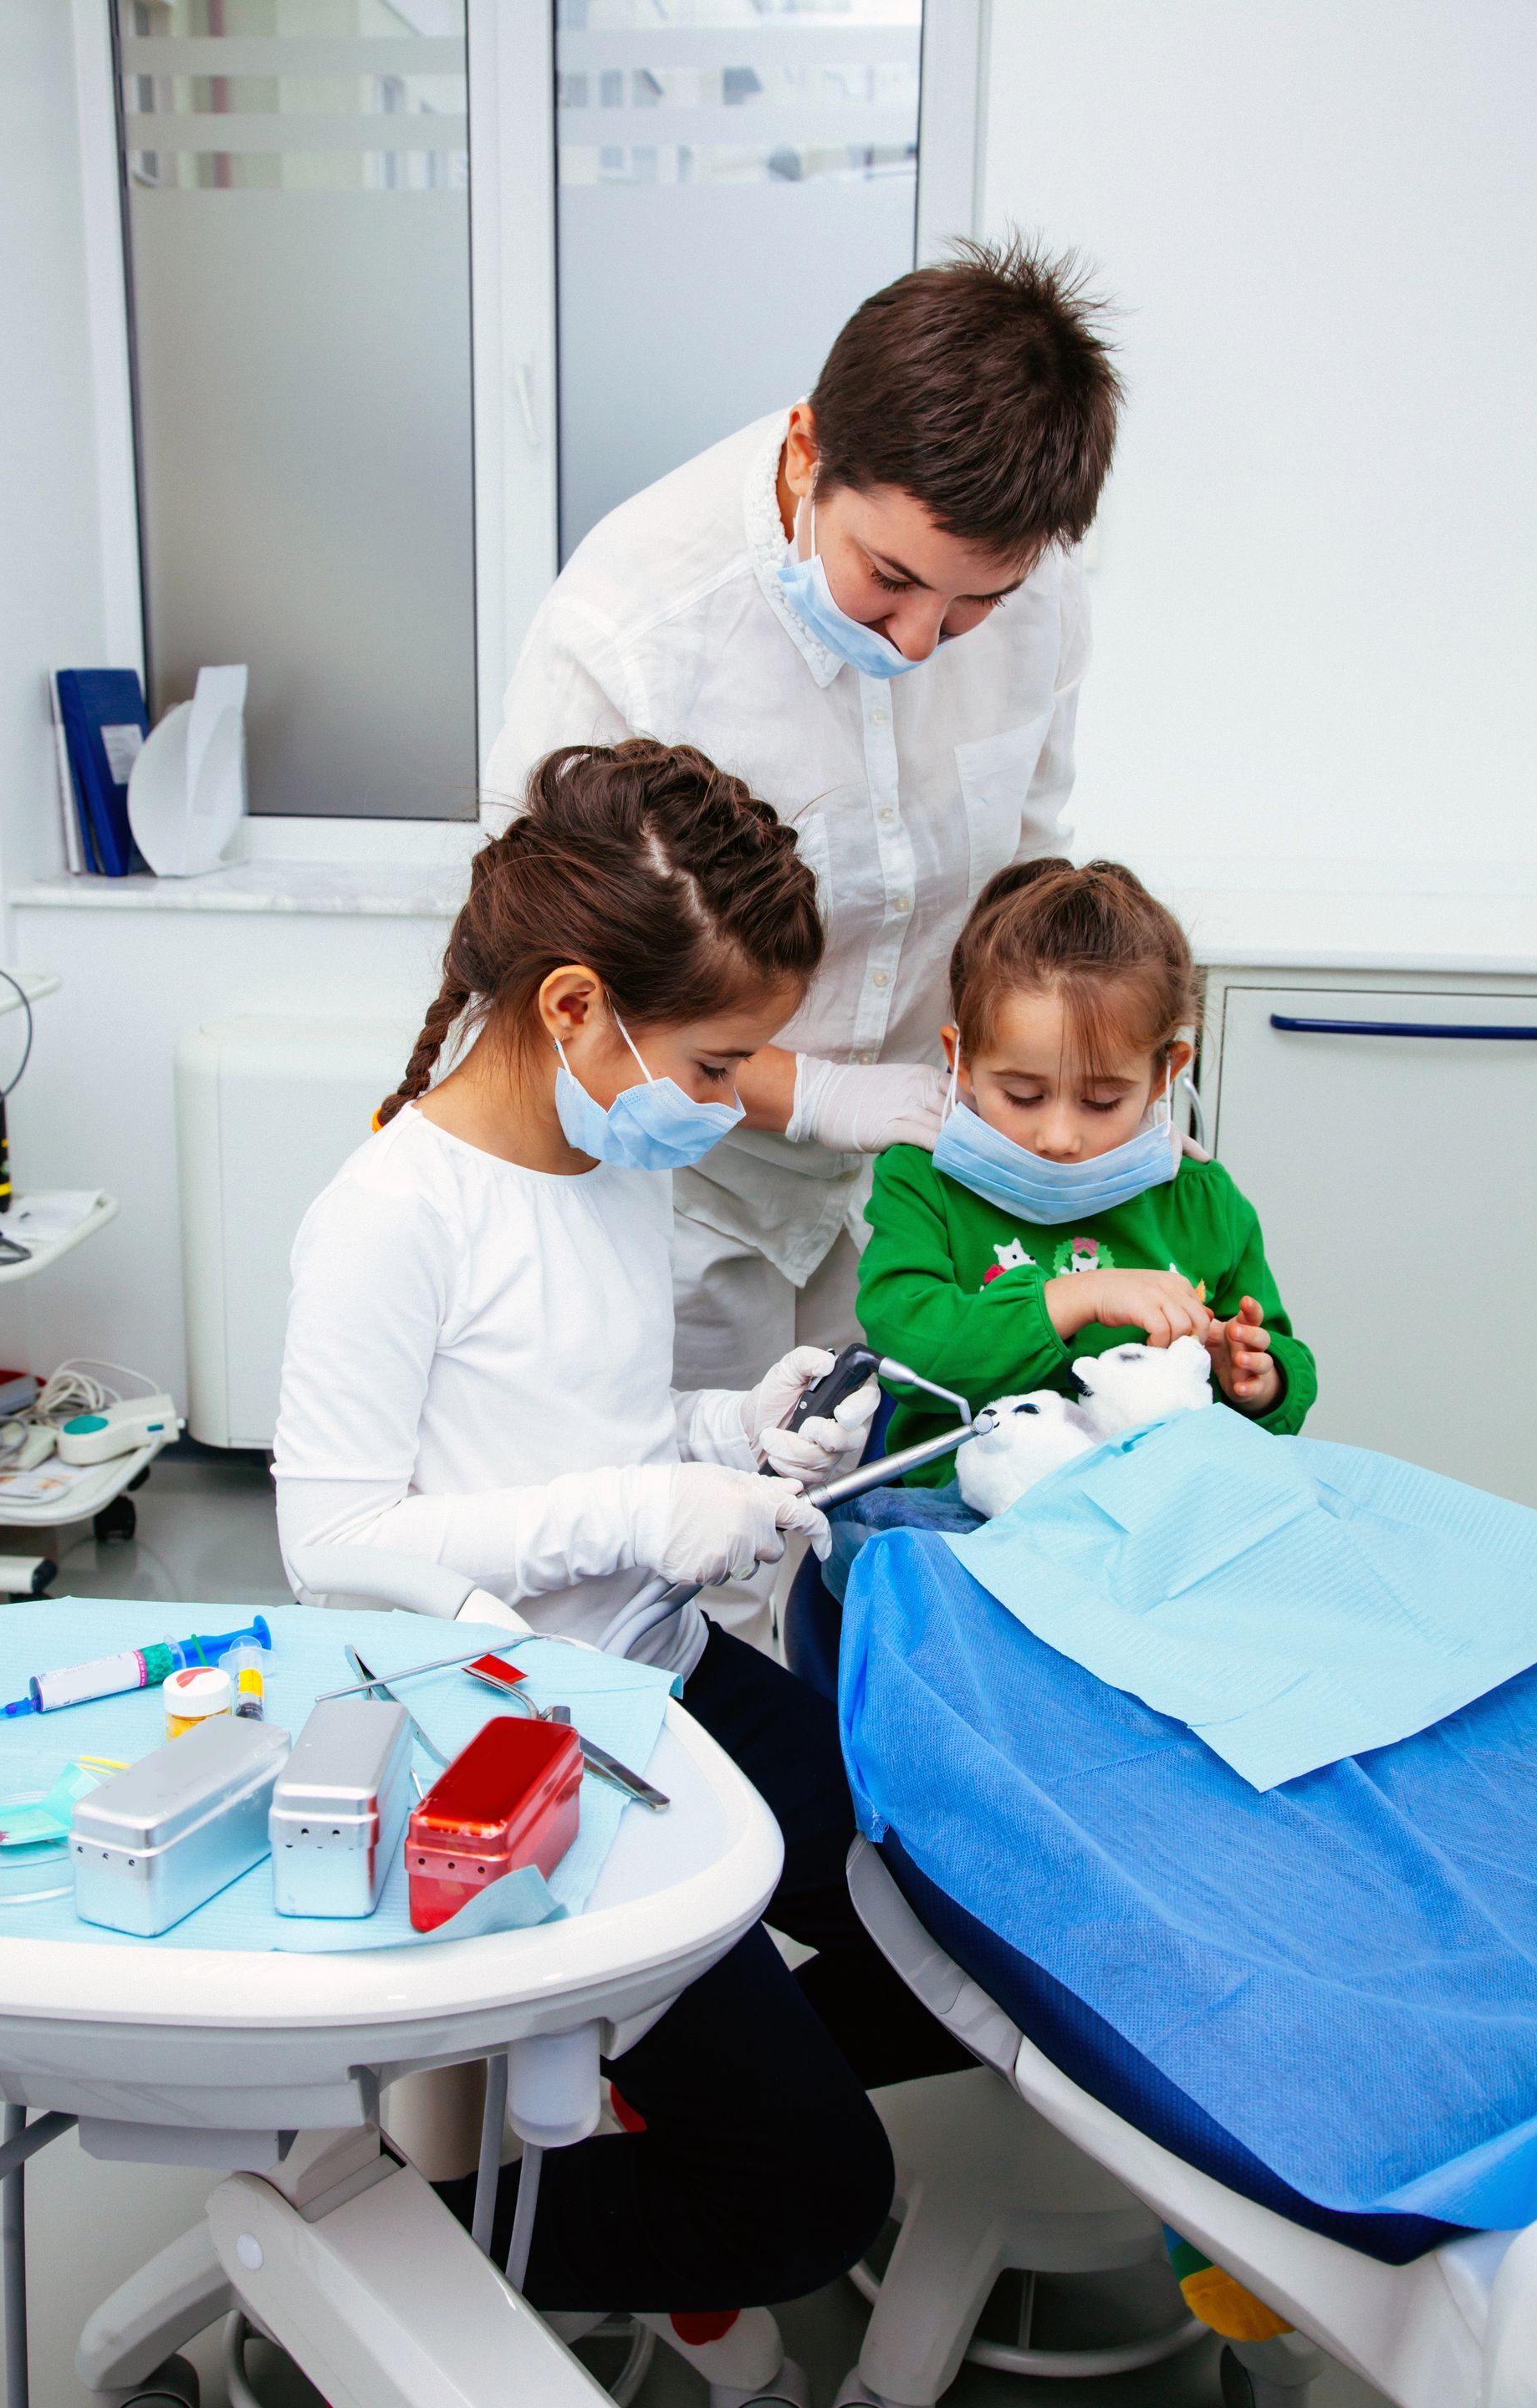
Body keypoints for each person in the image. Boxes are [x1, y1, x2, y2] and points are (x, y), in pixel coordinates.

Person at [273, 739, 966, 2402]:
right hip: (511, 1743)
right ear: (578, 1006)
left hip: (649, 1680)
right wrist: (637, 1513)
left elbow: (566, 1422)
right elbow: (336, 1545)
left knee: (961, 1911)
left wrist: (728, 1431)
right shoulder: (392, 1214)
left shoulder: (608, 1166)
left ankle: (676, 2104)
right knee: (810, 2198)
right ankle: (390, 2238)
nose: (733, 1102)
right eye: (720, 1062)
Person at [485, 241, 1123, 1471]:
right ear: (805, 451)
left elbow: (1026, 876)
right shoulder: (633, 624)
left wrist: (1097, 1080)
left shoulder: (1043, 598)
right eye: (889, 581)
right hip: (673, 1184)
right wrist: (817, 1093)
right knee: (674, 1549)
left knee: (871, 1520)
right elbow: (546, 976)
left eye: (972, 605)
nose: (927, 637)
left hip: (909, 1190)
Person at [857, 858, 1316, 1474]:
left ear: (1165, 1073)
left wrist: (1259, 1380)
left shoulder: (1203, 1203)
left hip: (1153, 1513)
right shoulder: (923, 1183)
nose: (1059, 1137)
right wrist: (1080, 1296)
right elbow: (912, 1351)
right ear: (960, 1061)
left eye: (1102, 1102)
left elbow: (1283, 1356)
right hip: (967, 1523)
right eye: (1023, 1096)